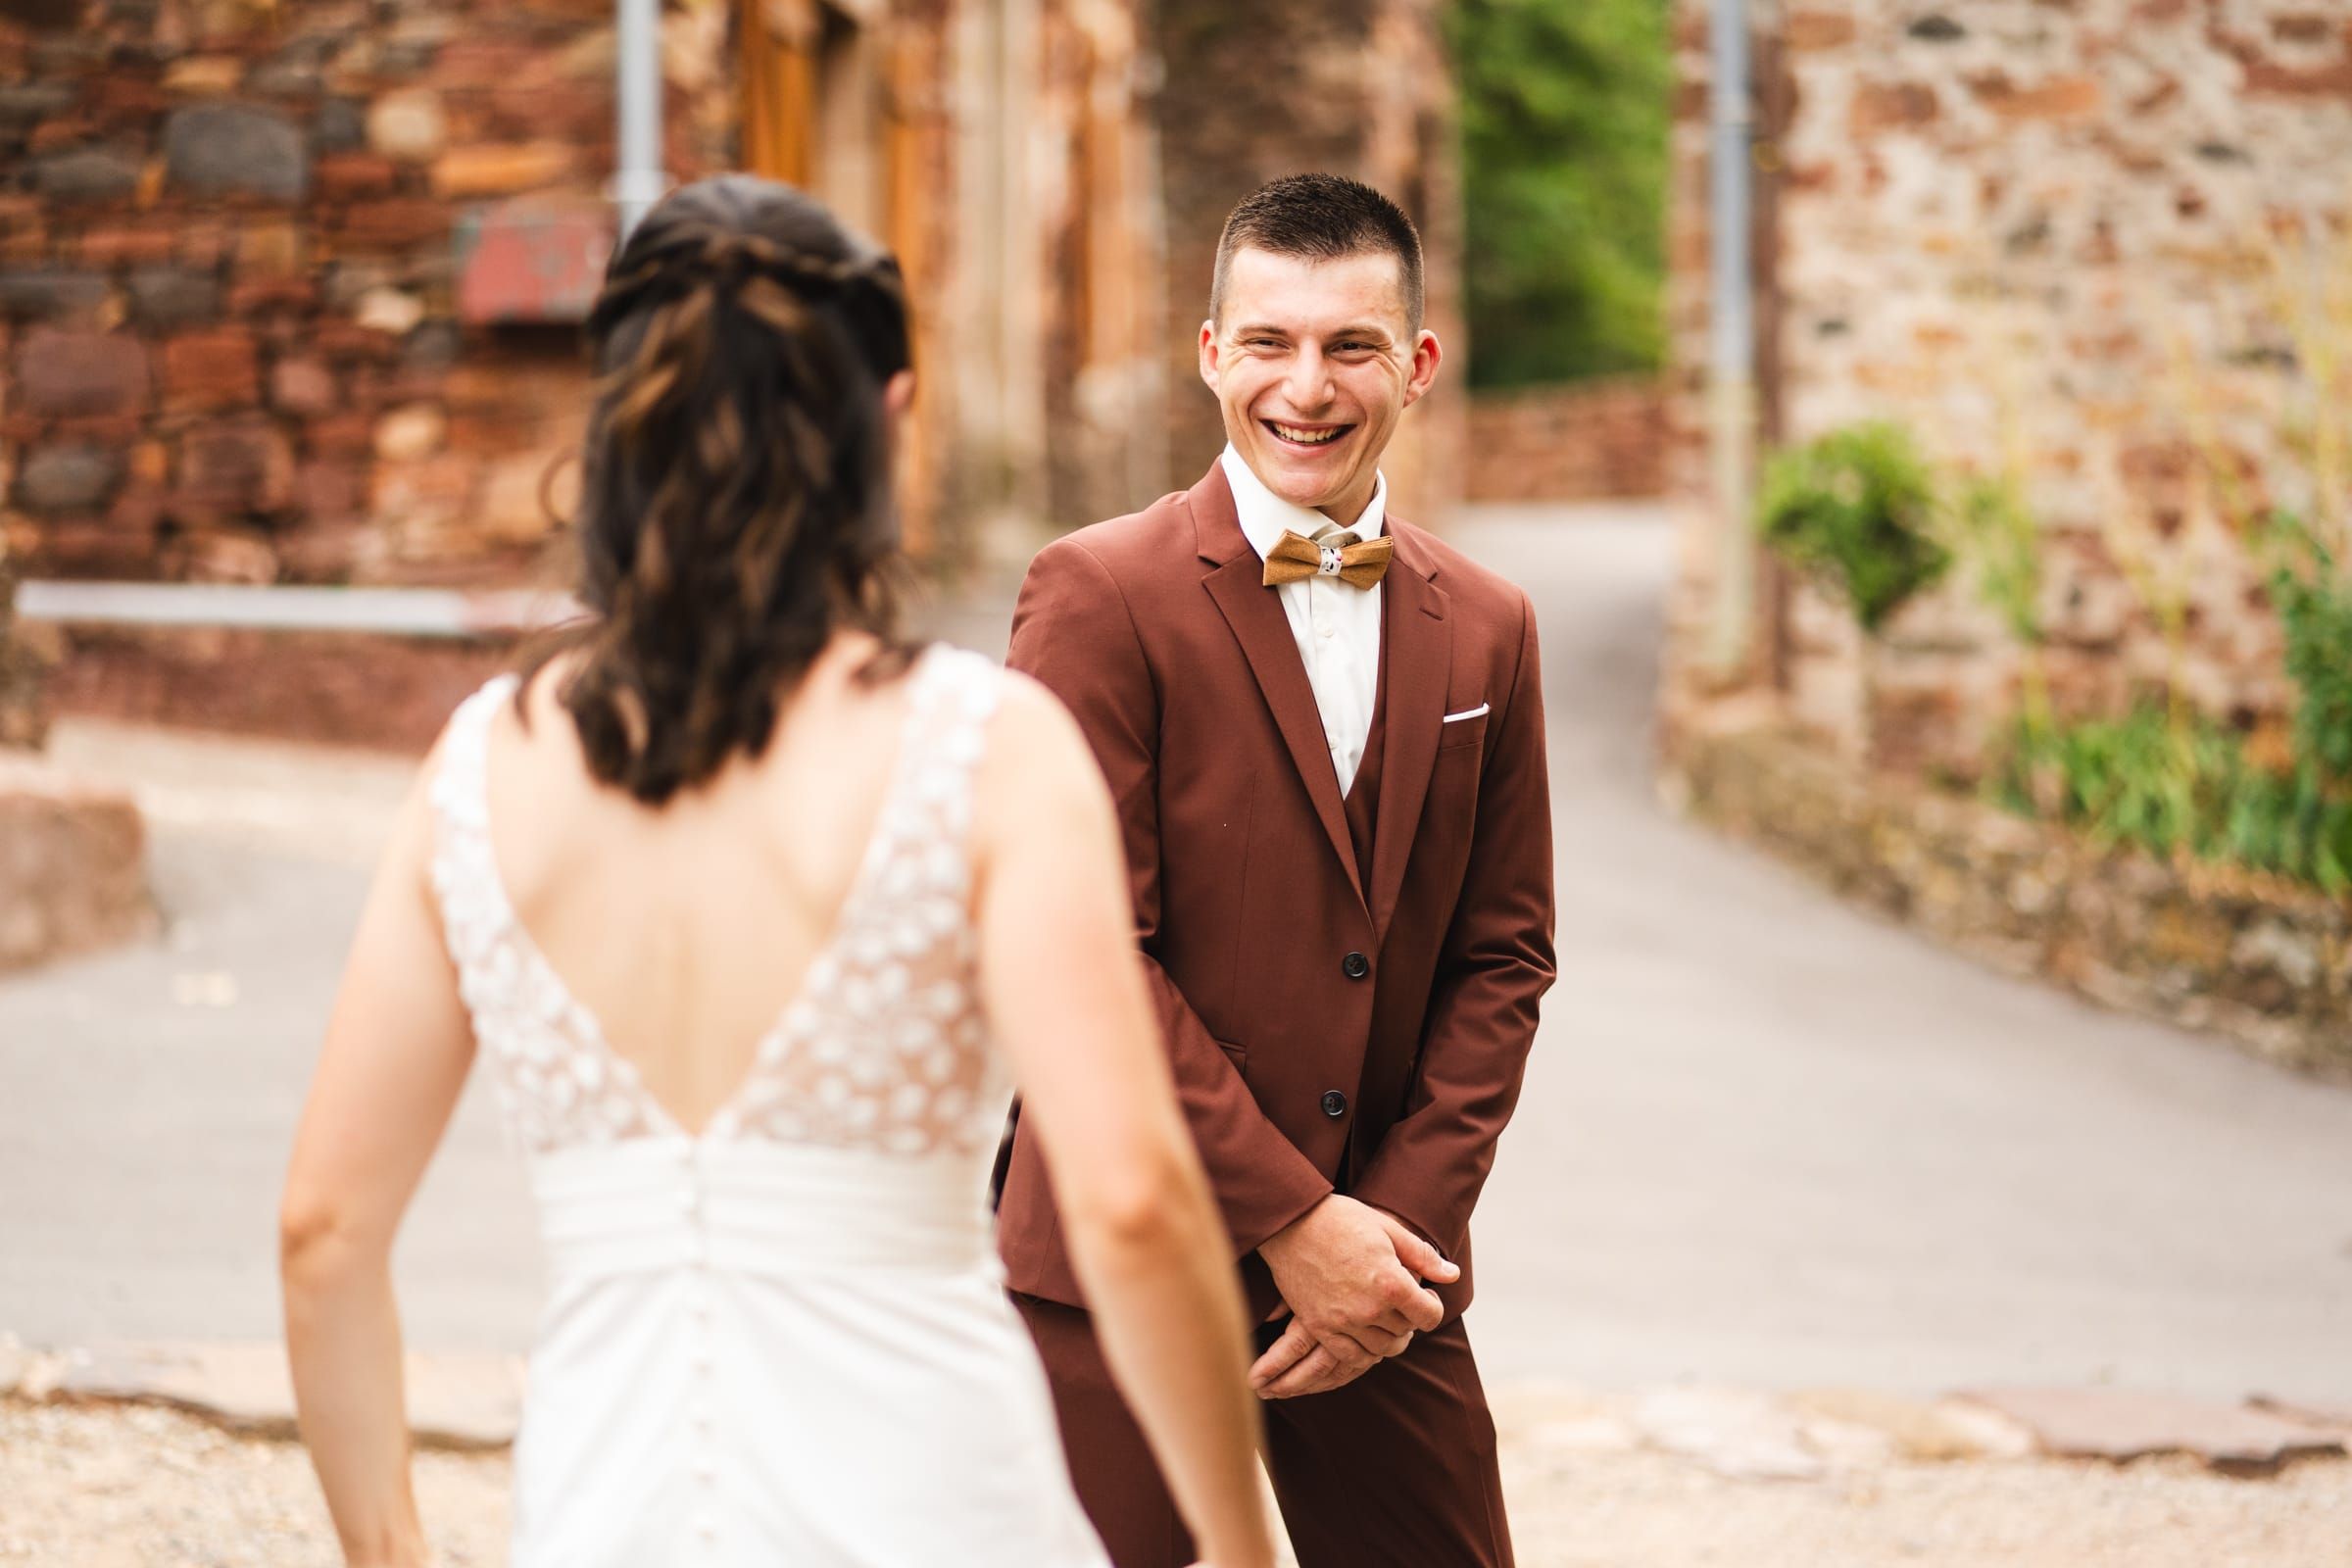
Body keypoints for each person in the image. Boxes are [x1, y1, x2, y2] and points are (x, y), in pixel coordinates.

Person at [277, 174, 1276, 1568]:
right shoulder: (981, 746)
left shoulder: (476, 770)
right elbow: (1132, 1202)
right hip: (932, 1503)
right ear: (889, 418)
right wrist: (1240, 1546)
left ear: (620, 422)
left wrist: (388, 1553)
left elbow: (325, 1231)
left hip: (604, 1515)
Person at [996, 172, 1556, 1566]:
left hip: (1386, 1264)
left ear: (1416, 365)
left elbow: (1505, 953)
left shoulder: (1488, 626)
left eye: (1350, 346)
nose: (1305, 387)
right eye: (1269, 343)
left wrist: (1391, 1234)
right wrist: (1290, 1218)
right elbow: (1081, 953)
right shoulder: (1097, 593)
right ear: (1211, 355)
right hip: (1124, 1254)